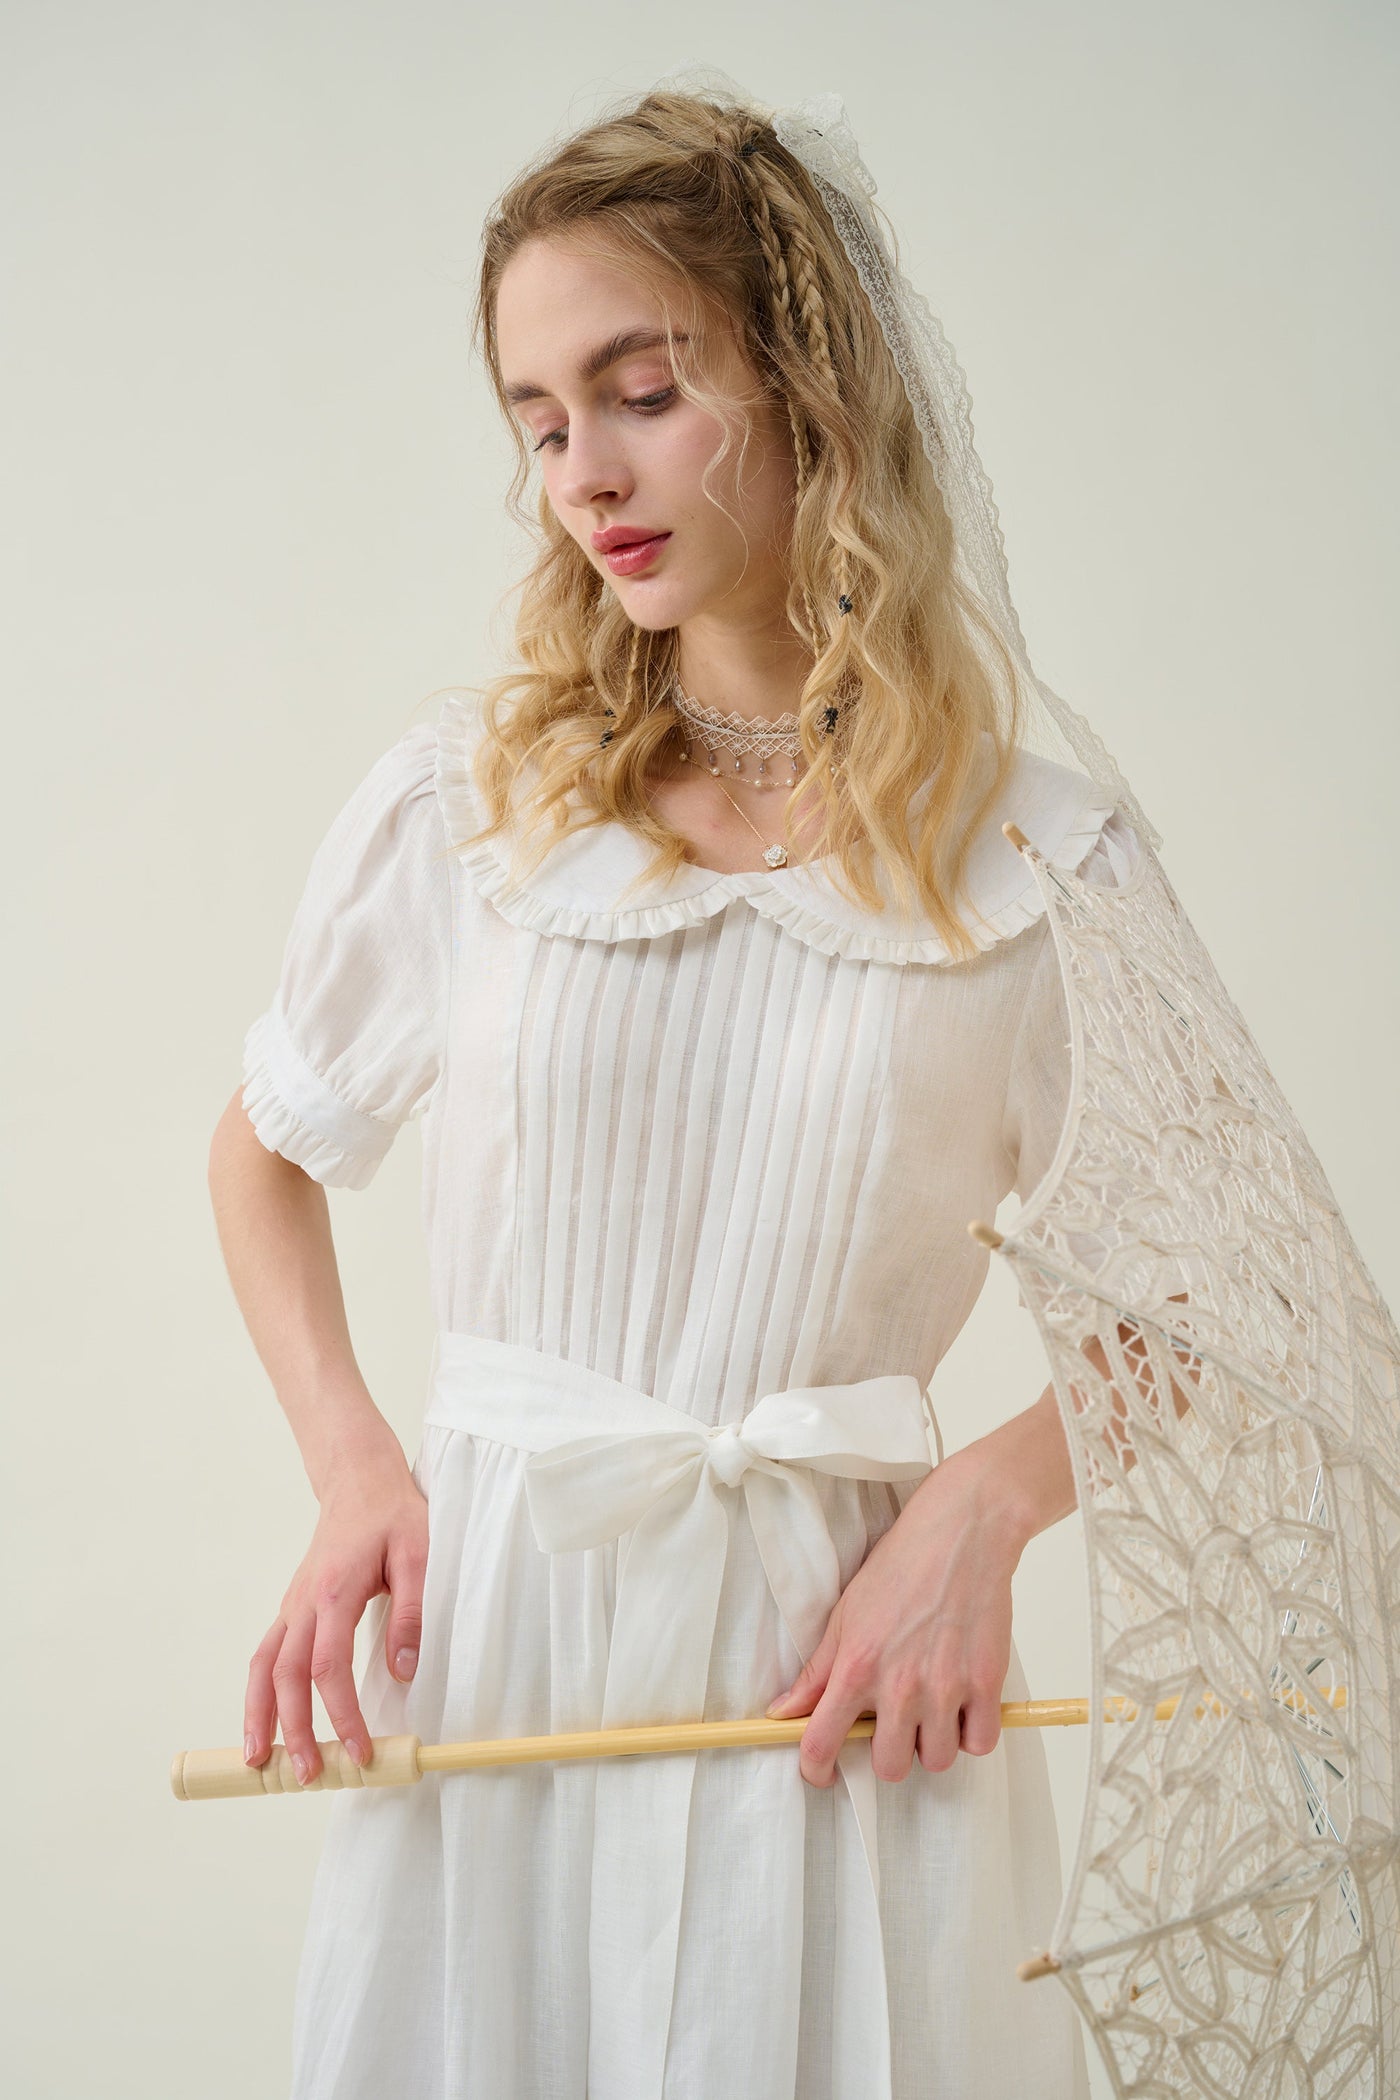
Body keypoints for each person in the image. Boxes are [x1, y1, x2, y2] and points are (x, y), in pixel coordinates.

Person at [204, 77, 1146, 2100]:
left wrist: (982, 1511)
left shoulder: (1041, 861)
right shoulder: (474, 805)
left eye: (641, 392)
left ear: (811, 389)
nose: (585, 475)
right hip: (508, 1645)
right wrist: (358, 1467)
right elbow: (265, 1150)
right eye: (542, 422)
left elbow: (1208, 1310)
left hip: (849, 1676)